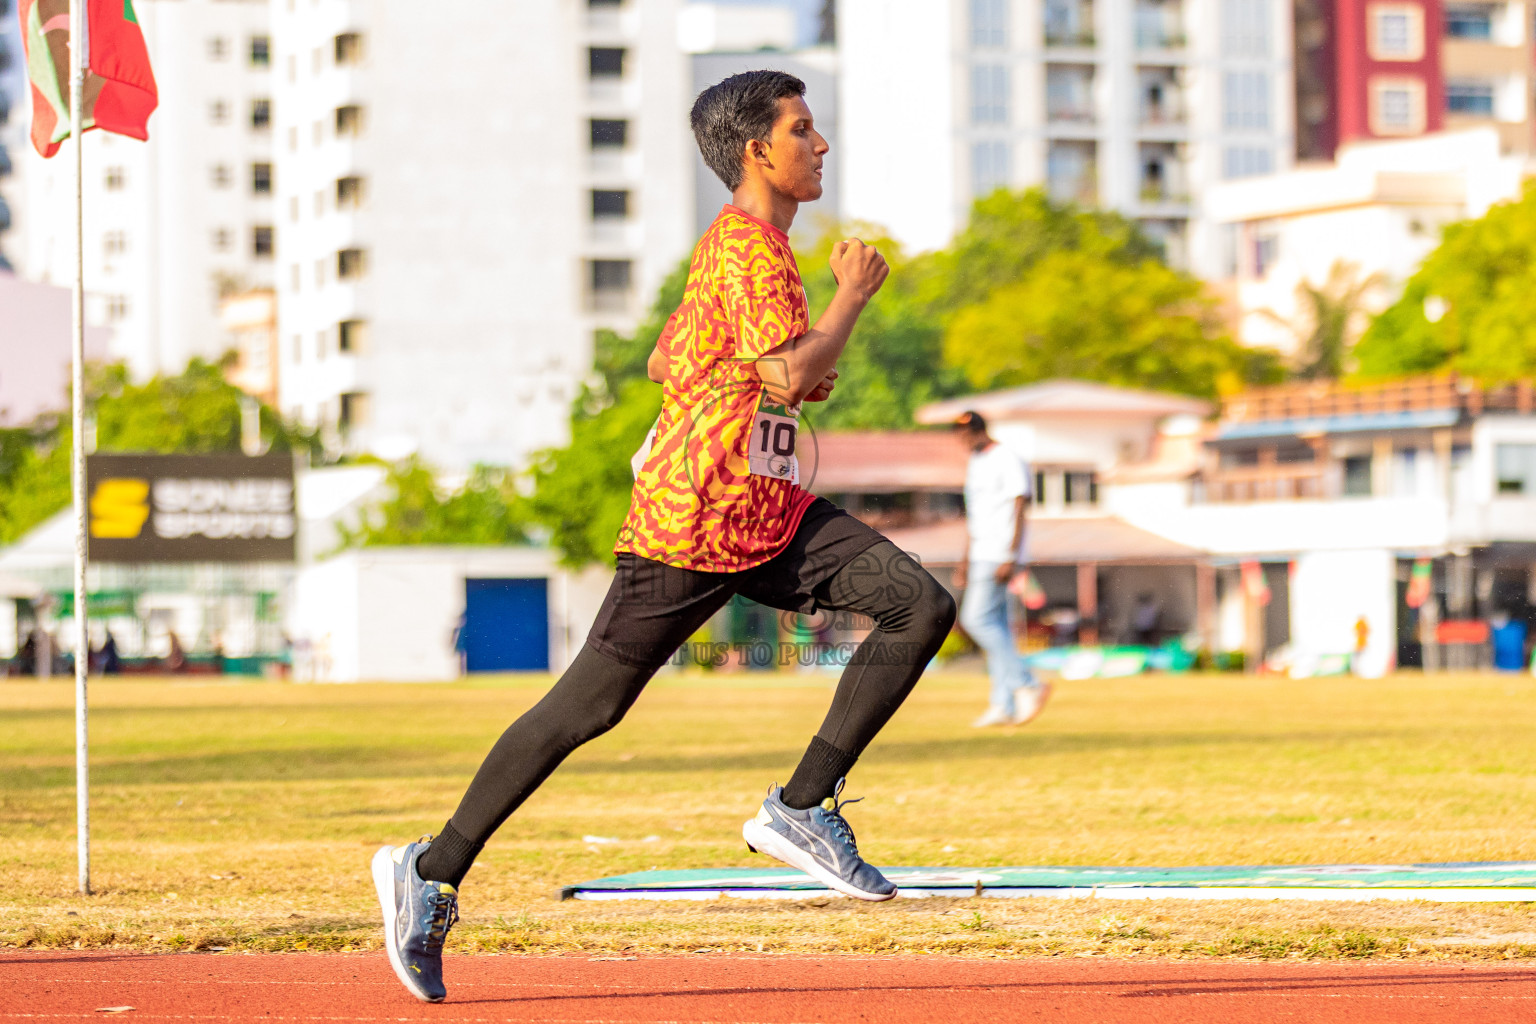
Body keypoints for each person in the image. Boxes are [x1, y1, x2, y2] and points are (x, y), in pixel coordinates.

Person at [370, 71, 956, 1004]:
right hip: (691, 521)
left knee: (918, 601)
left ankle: (801, 807)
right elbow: (793, 371)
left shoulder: (740, 253)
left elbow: (668, 357)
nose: (822, 146)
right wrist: (848, 301)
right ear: (758, 150)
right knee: (586, 710)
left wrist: (764, 372)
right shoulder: (752, 254)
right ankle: (430, 870)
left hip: (765, 513)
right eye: (804, 130)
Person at [952, 412, 1052, 727]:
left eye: (969, 433)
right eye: (960, 434)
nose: (964, 439)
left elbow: (1020, 507)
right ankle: (1003, 703)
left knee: (975, 619)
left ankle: (1028, 684)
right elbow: (975, 515)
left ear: (981, 431)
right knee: (996, 626)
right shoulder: (975, 463)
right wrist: (965, 559)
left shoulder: (1007, 457)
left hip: (999, 553)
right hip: (980, 552)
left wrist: (1013, 555)